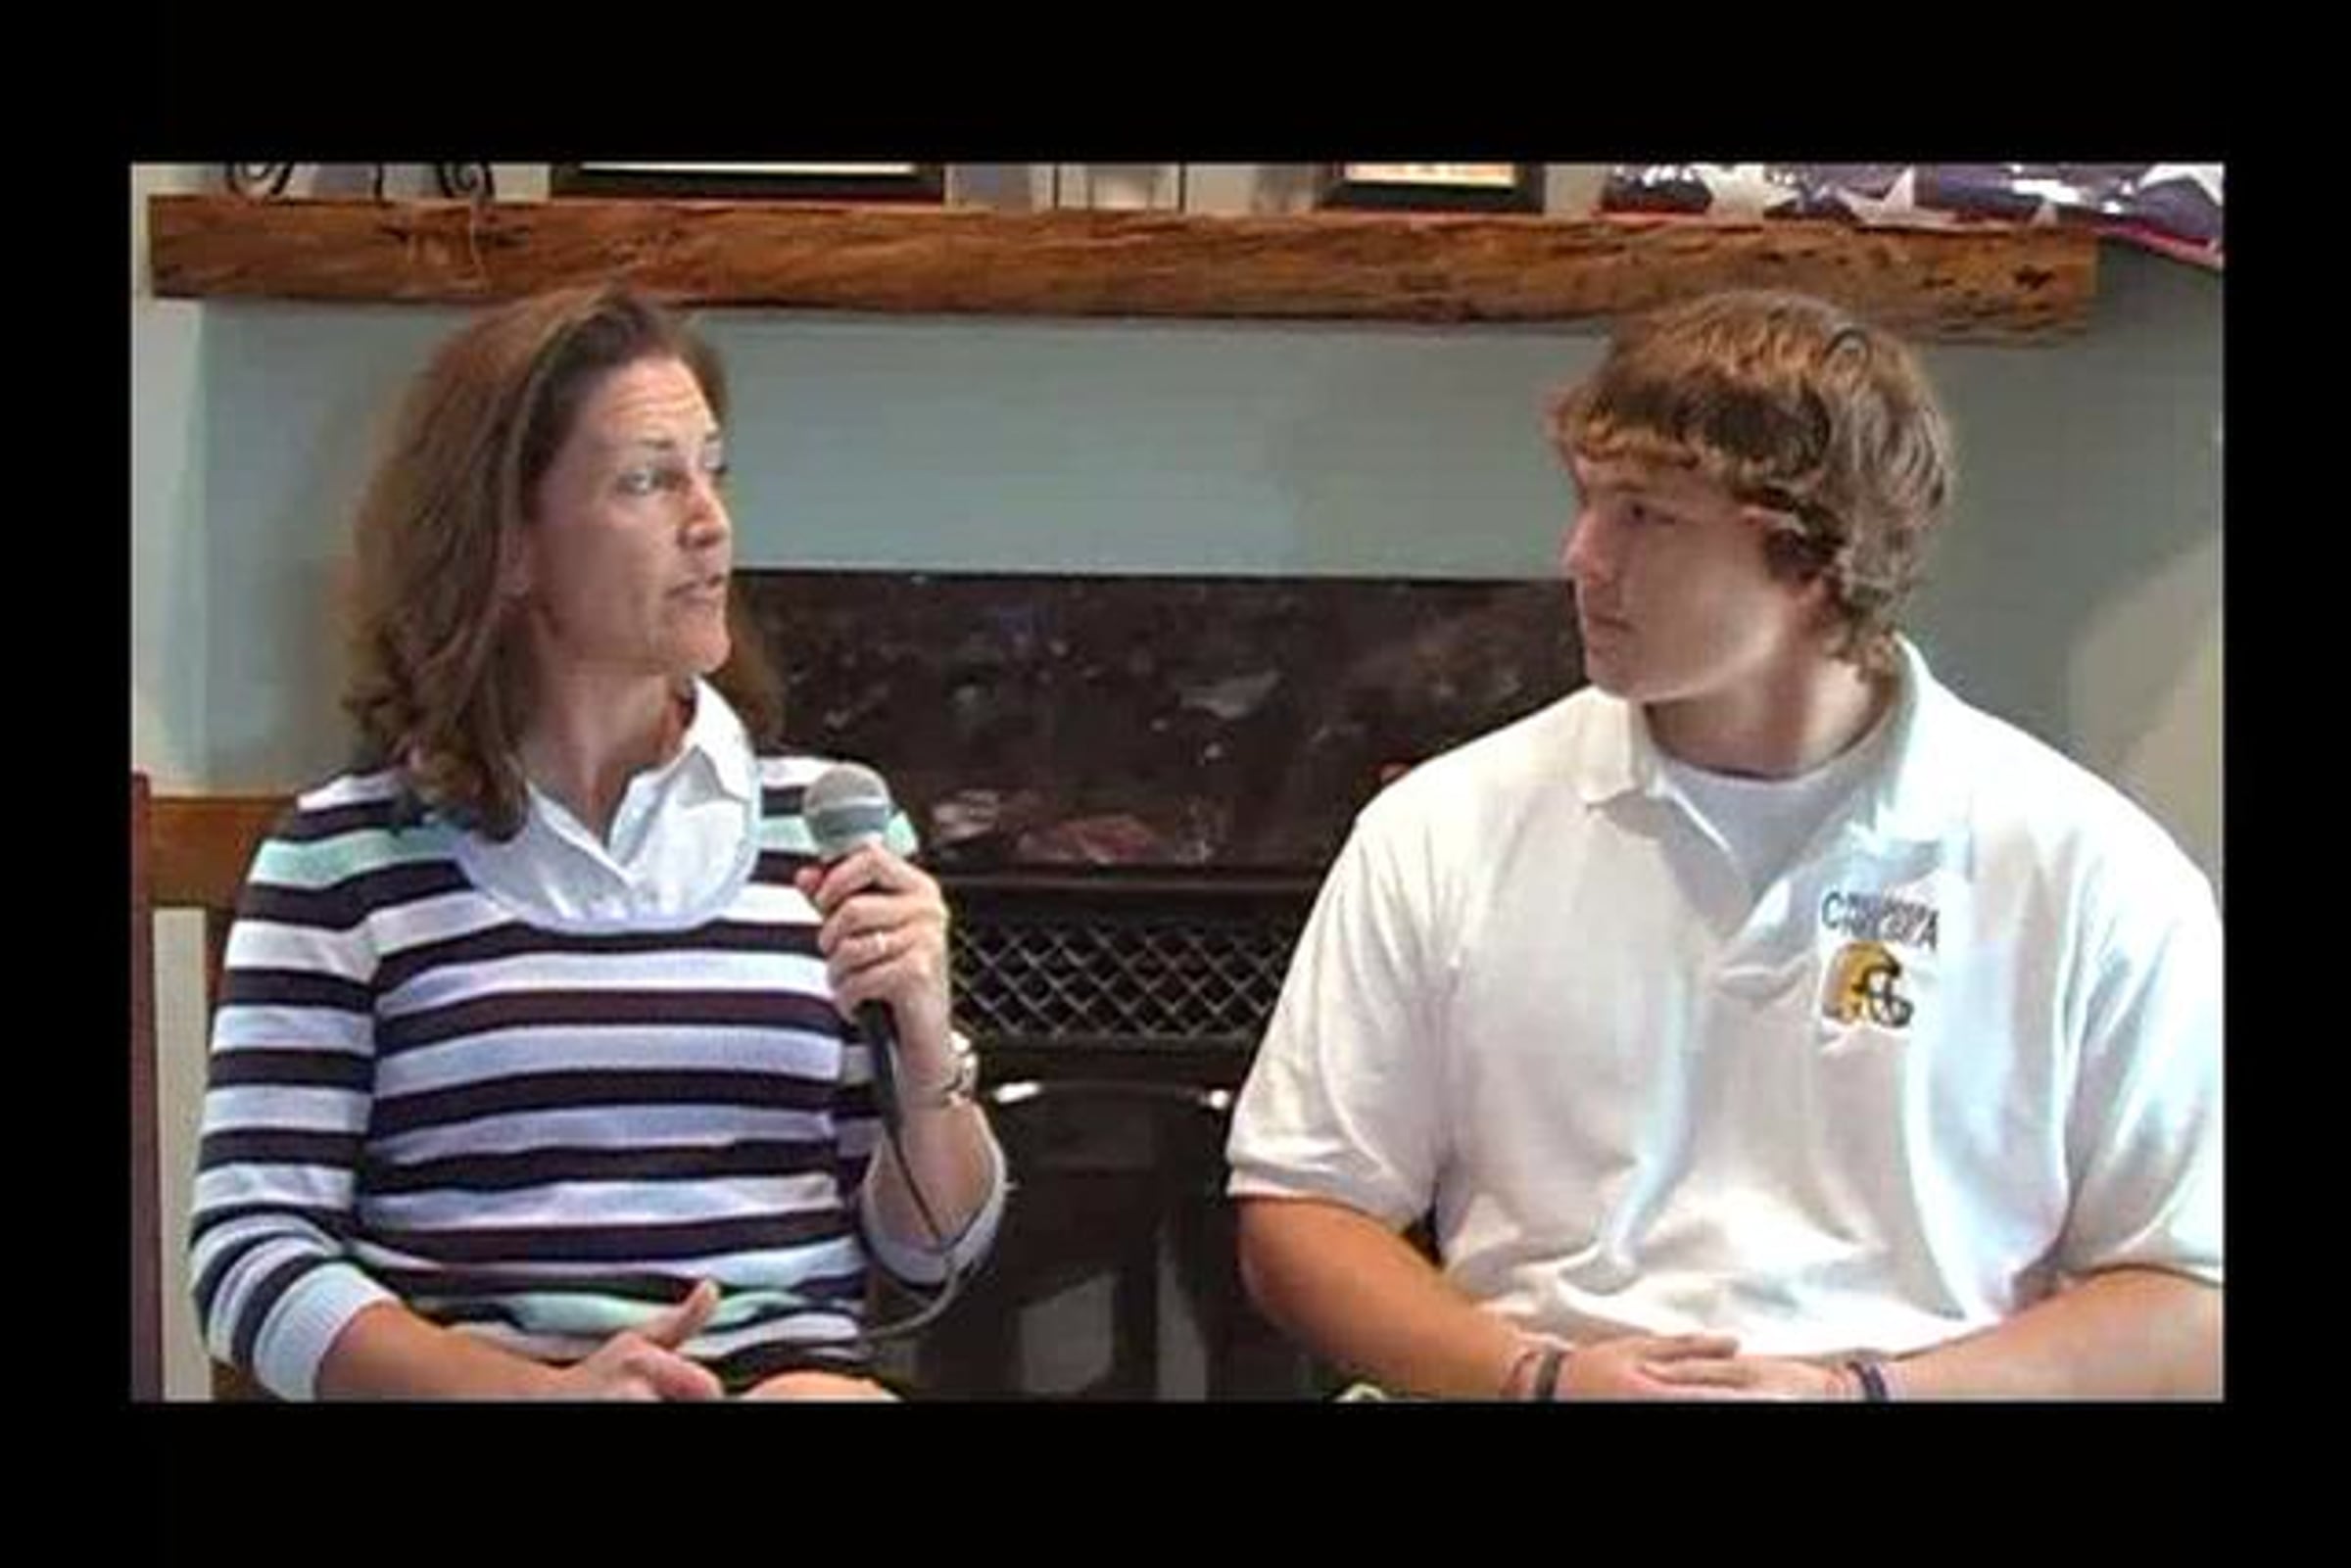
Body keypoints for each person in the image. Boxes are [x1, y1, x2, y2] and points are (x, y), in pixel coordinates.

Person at [1225, 289, 2222, 1400]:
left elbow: (2191, 1294)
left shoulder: (2090, 872)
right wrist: (1539, 1377)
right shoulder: (1442, 826)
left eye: (1645, 515)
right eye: (1587, 500)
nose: (1580, 556)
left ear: (1816, 556)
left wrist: (1863, 1396)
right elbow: (1301, 1209)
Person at [188, 284, 1005, 1400]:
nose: (710, 522)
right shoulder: (341, 862)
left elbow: (930, 1253)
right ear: (510, 545)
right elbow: (249, 1260)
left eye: (713, 471)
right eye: (647, 481)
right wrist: (536, 1397)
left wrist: (925, 1054)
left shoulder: (821, 827)